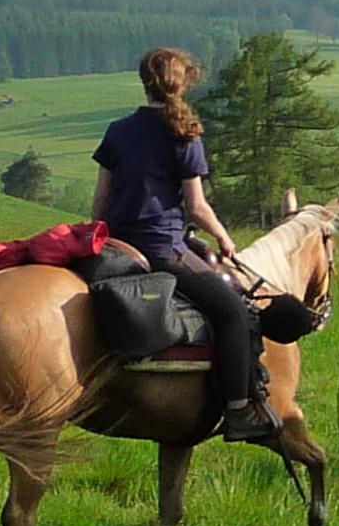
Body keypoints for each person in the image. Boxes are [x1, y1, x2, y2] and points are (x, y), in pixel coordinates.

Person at [91, 46, 274, 441]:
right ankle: (239, 409)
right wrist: (225, 239)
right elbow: (197, 207)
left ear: (146, 83)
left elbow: (100, 203)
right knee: (232, 312)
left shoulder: (117, 131)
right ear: (184, 83)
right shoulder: (185, 134)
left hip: (116, 246)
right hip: (161, 248)